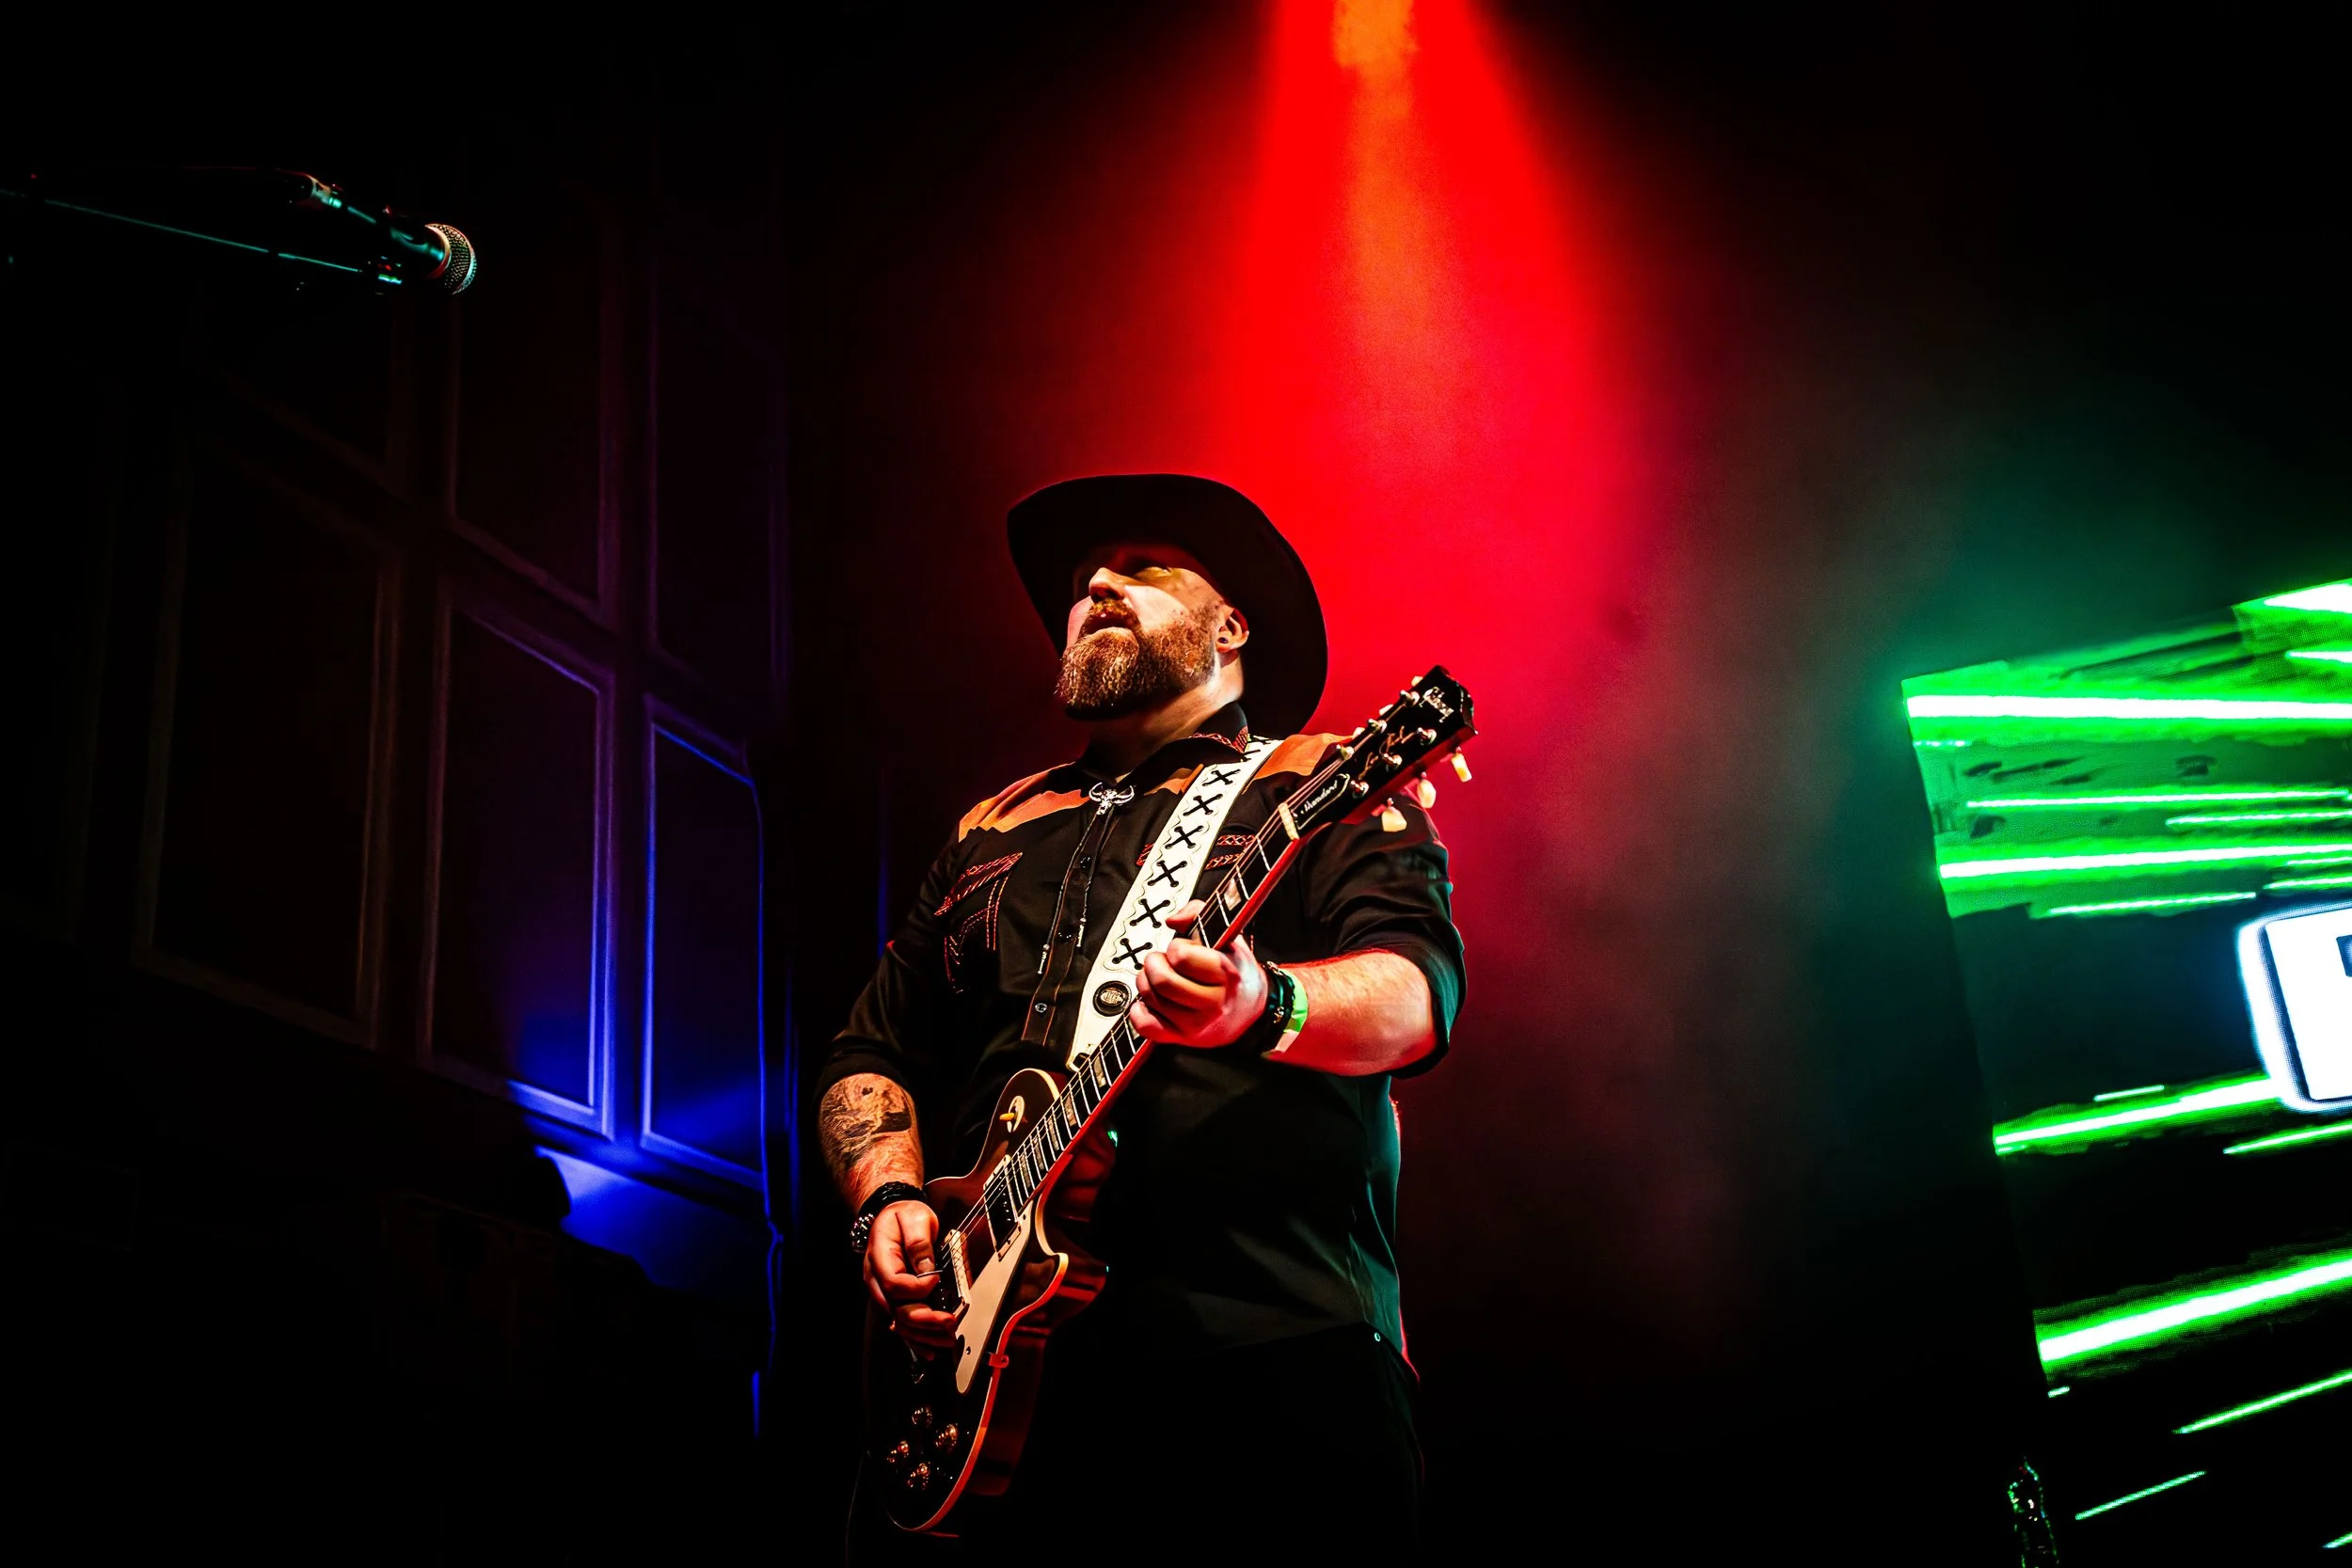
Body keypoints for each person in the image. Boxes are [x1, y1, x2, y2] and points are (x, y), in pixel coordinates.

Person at [818, 473, 1465, 1552]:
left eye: (1144, 567)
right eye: (1084, 581)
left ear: (1232, 625)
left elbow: (1416, 994)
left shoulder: (1316, 777)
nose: (1098, 586)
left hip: (1264, 1358)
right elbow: (868, 1050)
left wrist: (1264, 1003)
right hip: (1001, 1377)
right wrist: (885, 1198)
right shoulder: (992, 824)